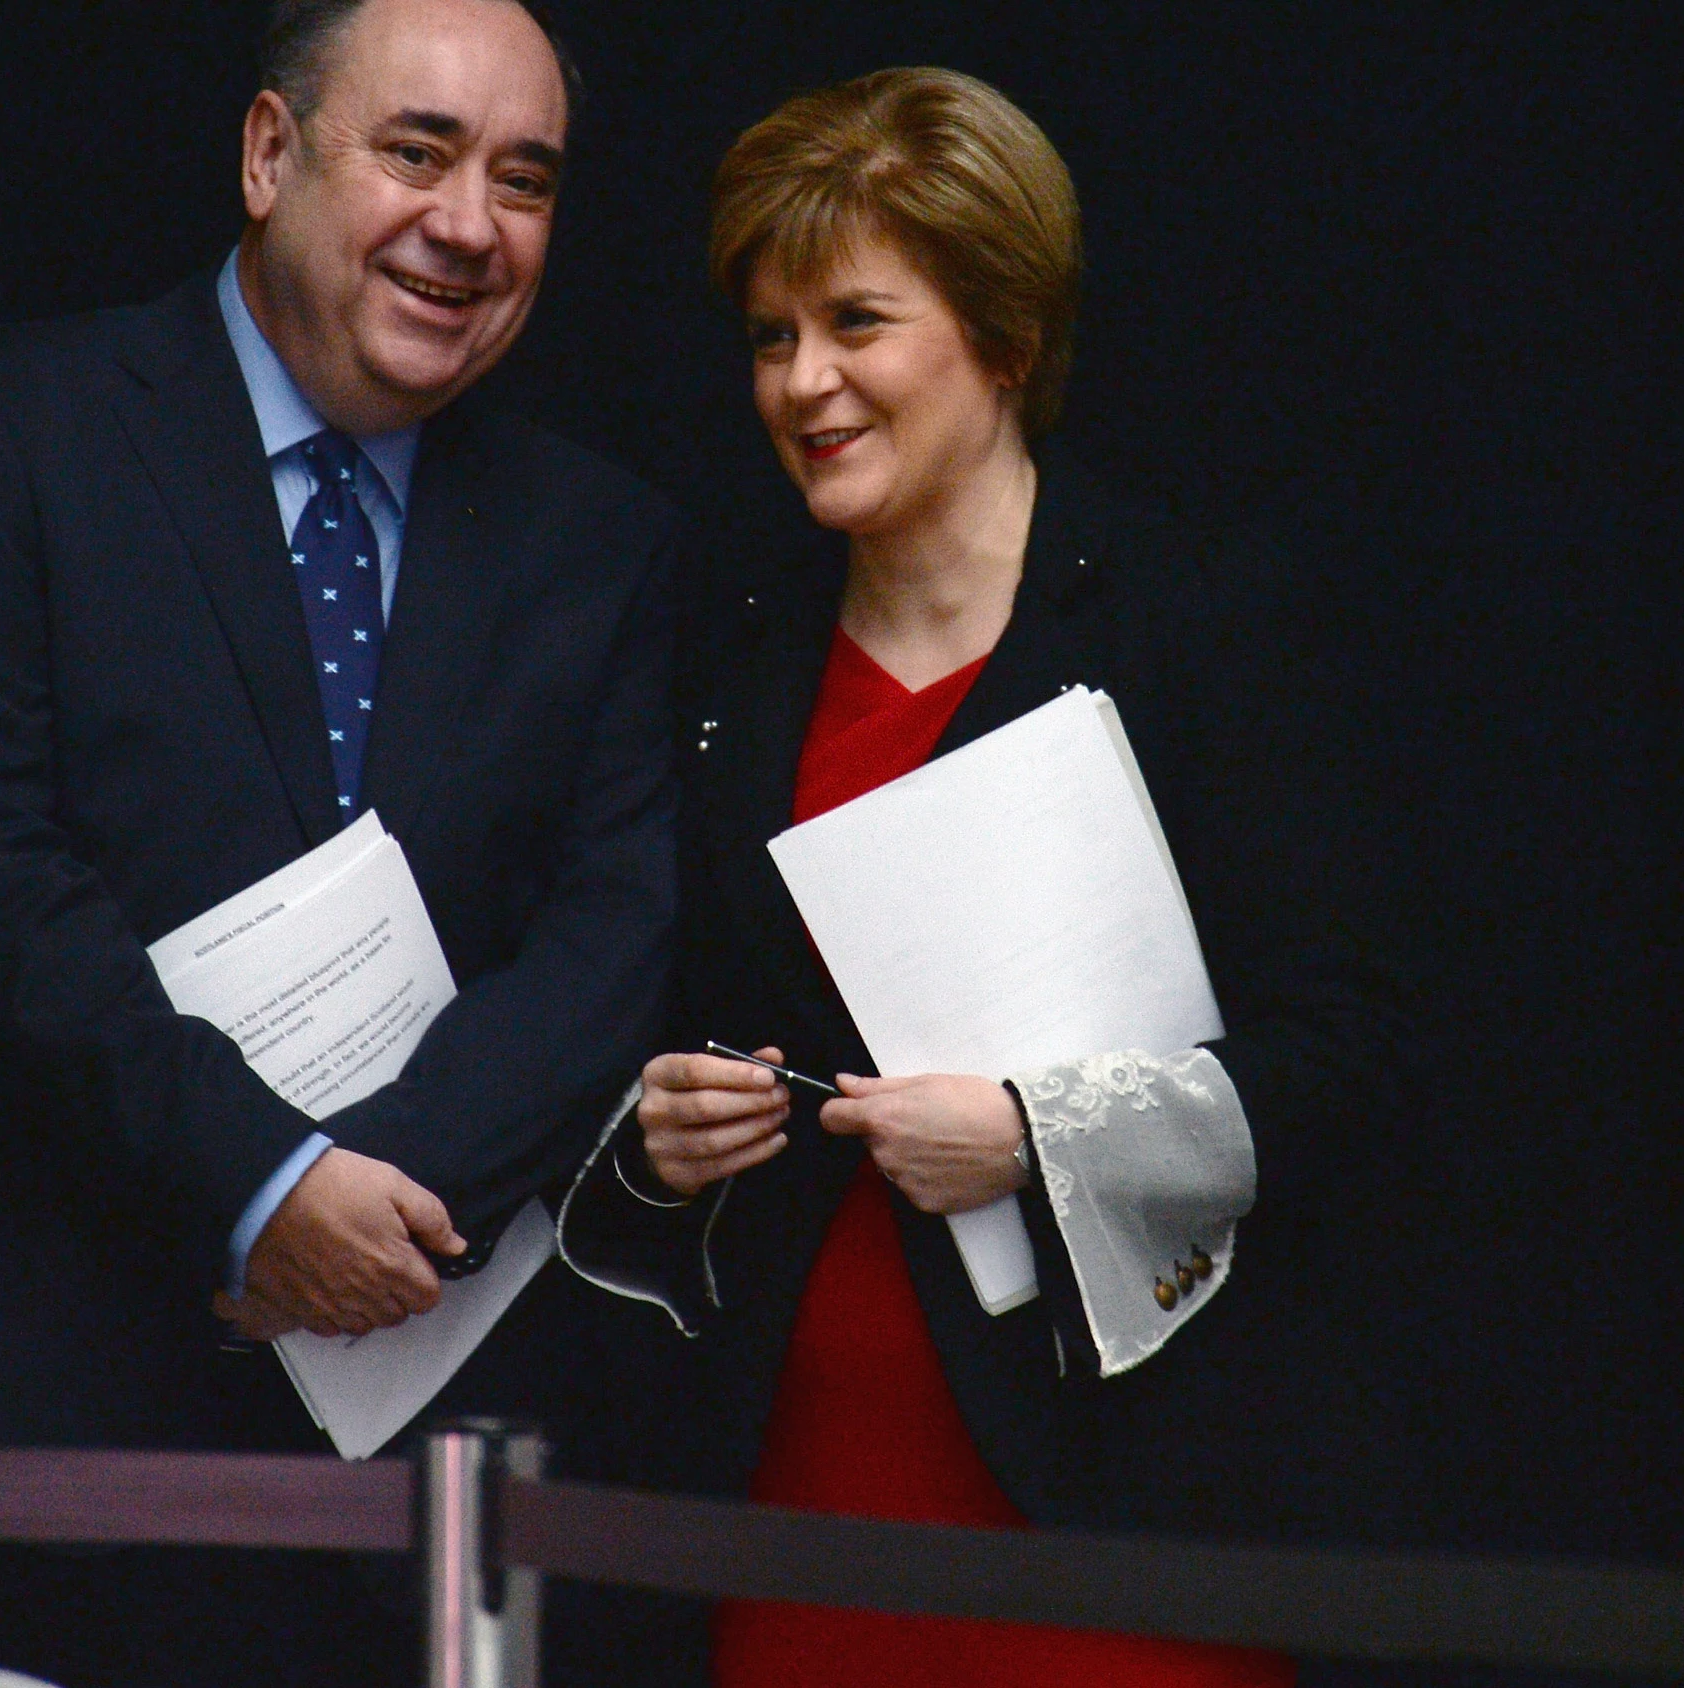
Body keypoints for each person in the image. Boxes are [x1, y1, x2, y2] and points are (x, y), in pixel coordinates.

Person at [0, 1, 675, 1681]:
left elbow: (610, 940)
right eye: (419, 150)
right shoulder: (4, 430)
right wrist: (259, 1182)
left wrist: (381, 1204)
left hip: (386, 1487)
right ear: (266, 153)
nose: (468, 225)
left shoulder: (602, 541)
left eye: (525, 180)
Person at [559, 68, 1405, 1687]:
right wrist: (667, 1139)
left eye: (857, 322)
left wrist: (1035, 1137)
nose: (803, 381)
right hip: (800, 1496)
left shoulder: (1193, 626)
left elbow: (1351, 1060)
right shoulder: (736, 657)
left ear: (1006, 340)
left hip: (1117, 1508)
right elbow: (663, 1025)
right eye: (768, 335)